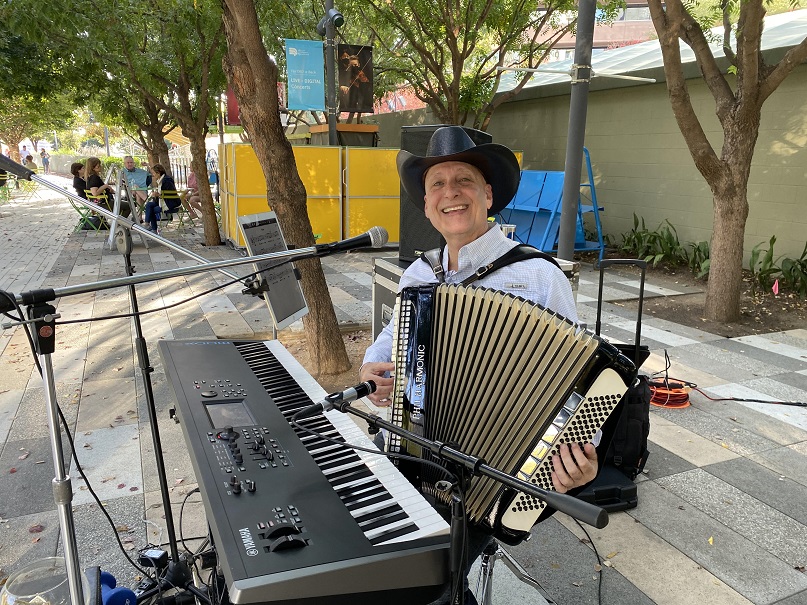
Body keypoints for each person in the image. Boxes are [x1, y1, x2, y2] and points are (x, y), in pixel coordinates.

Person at [359, 126, 596, 605]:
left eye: (463, 180)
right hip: (413, 451)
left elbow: (577, 382)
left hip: (488, 480)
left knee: (426, 587)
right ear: (426, 205)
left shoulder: (538, 276)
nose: (451, 193)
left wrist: (577, 458)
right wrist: (371, 372)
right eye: (437, 185)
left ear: (488, 194)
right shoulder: (419, 274)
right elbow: (385, 345)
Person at [143, 163, 179, 233]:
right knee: (149, 205)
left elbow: (170, 193)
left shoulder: (166, 180)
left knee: (151, 210)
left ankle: (152, 228)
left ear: (158, 173)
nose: (153, 175)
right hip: (162, 201)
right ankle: (147, 223)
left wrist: (158, 194)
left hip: (169, 203)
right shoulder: (161, 180)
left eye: (154, 173)